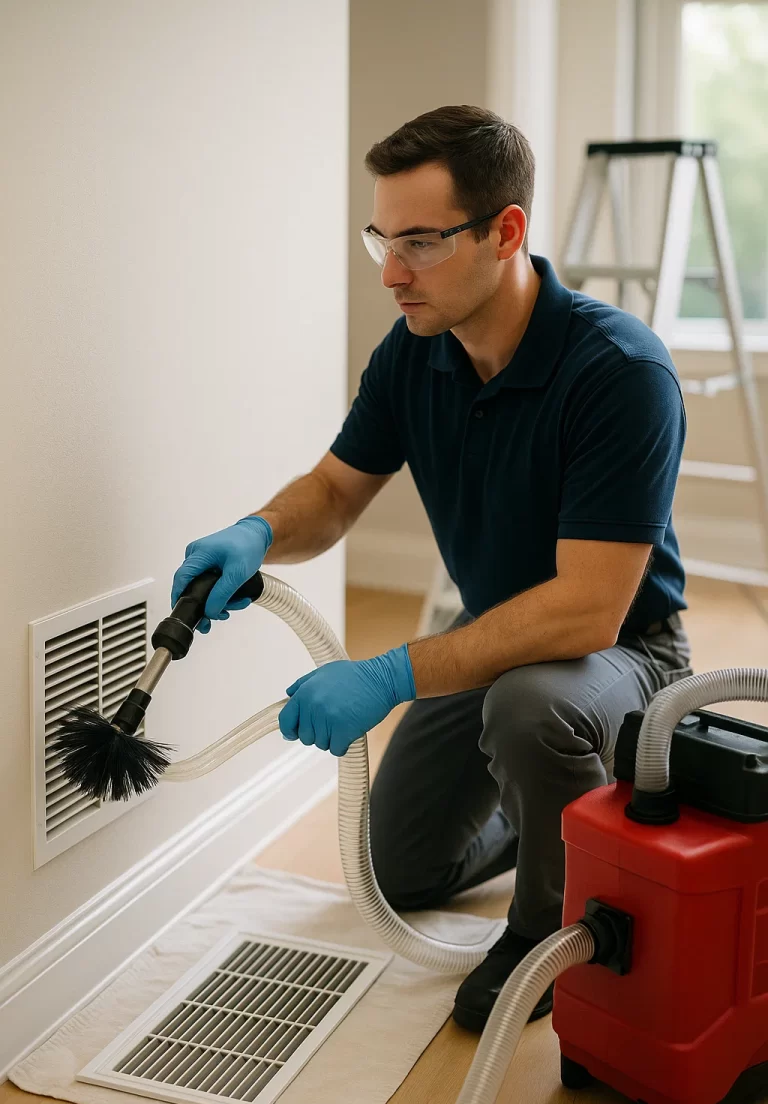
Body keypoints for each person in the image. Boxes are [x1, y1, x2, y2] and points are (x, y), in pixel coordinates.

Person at [172, 105, 693, 1034]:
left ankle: (551, 932)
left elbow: (587, 613)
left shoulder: (620, 370)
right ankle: (569, 825)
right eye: (383, 236)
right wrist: (254, 530)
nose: (391, 271)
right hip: (495, 642)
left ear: (507, 232)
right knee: (402, 867)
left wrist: (390, 673)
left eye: (419, 240)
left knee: (533, 709)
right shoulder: (416, 355)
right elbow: (334, 494)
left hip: (628, 656)